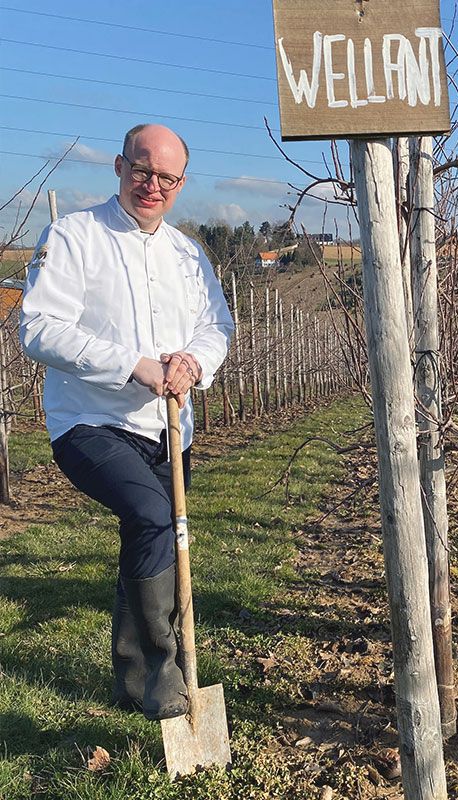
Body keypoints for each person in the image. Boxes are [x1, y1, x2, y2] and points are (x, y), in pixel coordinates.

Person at [20, 123, 234, 721]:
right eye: (142, 170)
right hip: (89, 421)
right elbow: (37, 328)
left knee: (149, 532)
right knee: (152, 515)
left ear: (181, 183)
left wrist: (194, 359)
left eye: (166, 177)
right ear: (118, 166)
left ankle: (131, 681)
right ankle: (165, 679)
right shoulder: (74, 237)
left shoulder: (188, 253)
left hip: (168, 426)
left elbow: (217, 325)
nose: (152, 185)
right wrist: (131, 365)